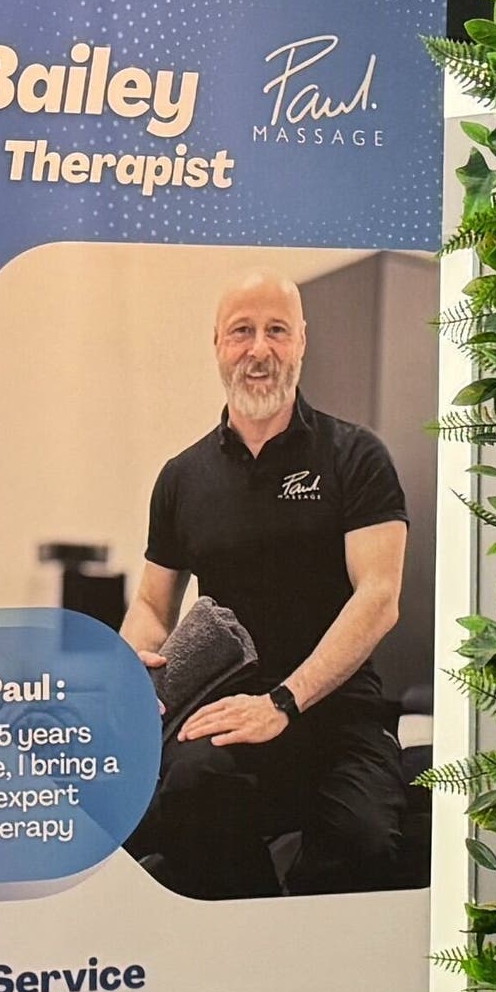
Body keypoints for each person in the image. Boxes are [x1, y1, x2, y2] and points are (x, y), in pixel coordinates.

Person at [121, 270, 414, 900]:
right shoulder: (182, 477)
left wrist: (283, 701)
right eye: (242, 332)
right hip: (228, 712)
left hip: (338, 713)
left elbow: (379, 597)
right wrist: (134, 671)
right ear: (218, 345)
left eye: (276, 330)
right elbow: (151, 603)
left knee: (363, 842)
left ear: (302, 341)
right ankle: (253, 945)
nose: (260, 350)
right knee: (188, 800)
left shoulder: (355, 456)